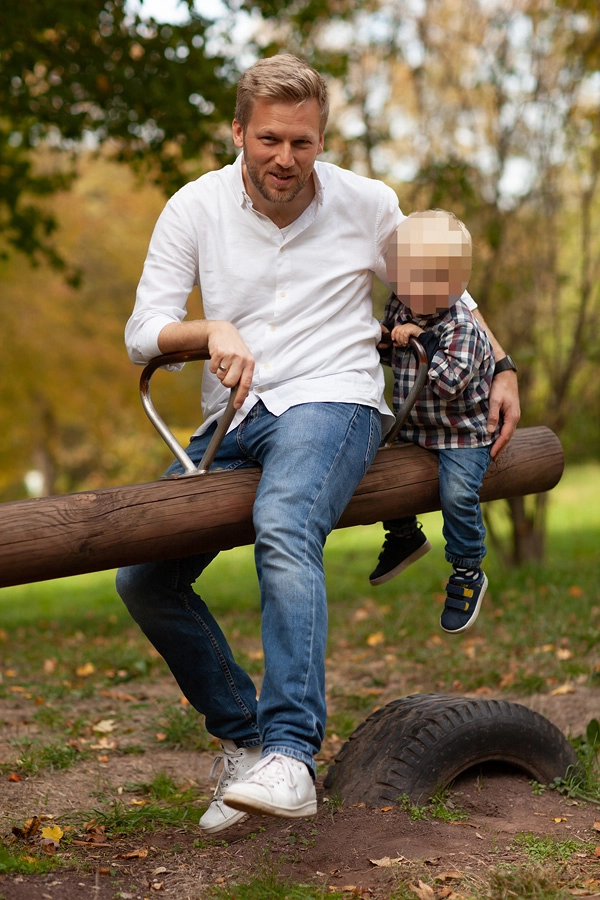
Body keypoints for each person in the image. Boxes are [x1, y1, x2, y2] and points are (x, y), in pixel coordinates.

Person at [116, 55, 520, 834]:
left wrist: (500, 364)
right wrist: (211, 331)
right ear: (238, 131)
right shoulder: (193, 207)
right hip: (232, 417)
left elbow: (445, 291)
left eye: (303, 143)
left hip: (332, 398)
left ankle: (292, 755)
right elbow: (143, 333)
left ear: (321, 139)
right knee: (142, 578)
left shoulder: (368, 203)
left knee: (286, 520)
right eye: (268, 139)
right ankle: (244, 736)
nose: (285, 159)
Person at [370, 209, 498, 633]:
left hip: (460, 434)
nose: (419, 290)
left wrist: (417, 340)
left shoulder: (462, 327)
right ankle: (404, 533)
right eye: (409, 277)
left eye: (435, 280)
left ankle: (466, 570)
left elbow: (447, 383)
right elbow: (387, 355)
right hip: (414, 426)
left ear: (459, 284)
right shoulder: (400, 304)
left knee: (458, 495)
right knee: (375, 462)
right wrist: (388, 337)